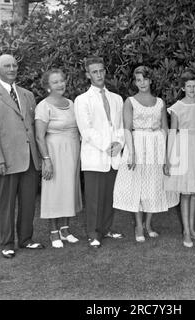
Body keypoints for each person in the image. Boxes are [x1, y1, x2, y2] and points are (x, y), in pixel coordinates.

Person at [0, 54, 43, 259]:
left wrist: (40, 157)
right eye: (7, 66)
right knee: (5, 204)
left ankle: (26, 239)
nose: (12, 68)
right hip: (5, 160)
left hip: (30, 159)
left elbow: (32, 127)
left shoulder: (28, 95)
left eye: (15, 65)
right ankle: (7, 243)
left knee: (28, 202)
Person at [113, 66, 179, 242]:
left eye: (144, 79)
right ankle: (138, 225)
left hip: (156, 145)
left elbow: (165, 128)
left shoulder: (159, 102)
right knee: (138, 186)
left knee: (153, 186)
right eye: (138, 80)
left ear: (150, 80)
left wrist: (166, 156)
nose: (141, 83)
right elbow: (126, 128)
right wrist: (131, 153)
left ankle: (148, 224)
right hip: (137, 144)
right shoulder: (130, 101)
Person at [74, 56, 125, 248]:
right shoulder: (82, 100)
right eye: (94, 72)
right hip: (95, 155)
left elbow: (120, 125)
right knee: (94, 197)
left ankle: (106, 228)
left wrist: (119, 143)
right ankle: (93, 233)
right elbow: (86, 130)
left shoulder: (116, 98)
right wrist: (107, 146)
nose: (99, 75)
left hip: (114, 155)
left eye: (101, 71)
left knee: (109, 196)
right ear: (88, 75)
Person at [35, 69, 83, 248]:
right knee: (54, 191)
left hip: (72, 152)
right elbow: (39, 136)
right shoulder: (44, 106)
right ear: (47, 86)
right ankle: (53, 233)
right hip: (54, 153)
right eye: (55, 82)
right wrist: (46, 160)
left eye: (62, 80)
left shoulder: (71, 103)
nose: (60, 84)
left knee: (68, 189)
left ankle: (65, 230)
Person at [164, 70, 195, 248]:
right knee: (185, 192)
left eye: (194, 86)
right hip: (183, 148)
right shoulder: (177, 108)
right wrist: (169, 158)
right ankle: (185, 231)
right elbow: (173, 133)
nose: (192, 89)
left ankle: (192, 229)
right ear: (183, 88)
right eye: (188, 86)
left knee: (194, 193)